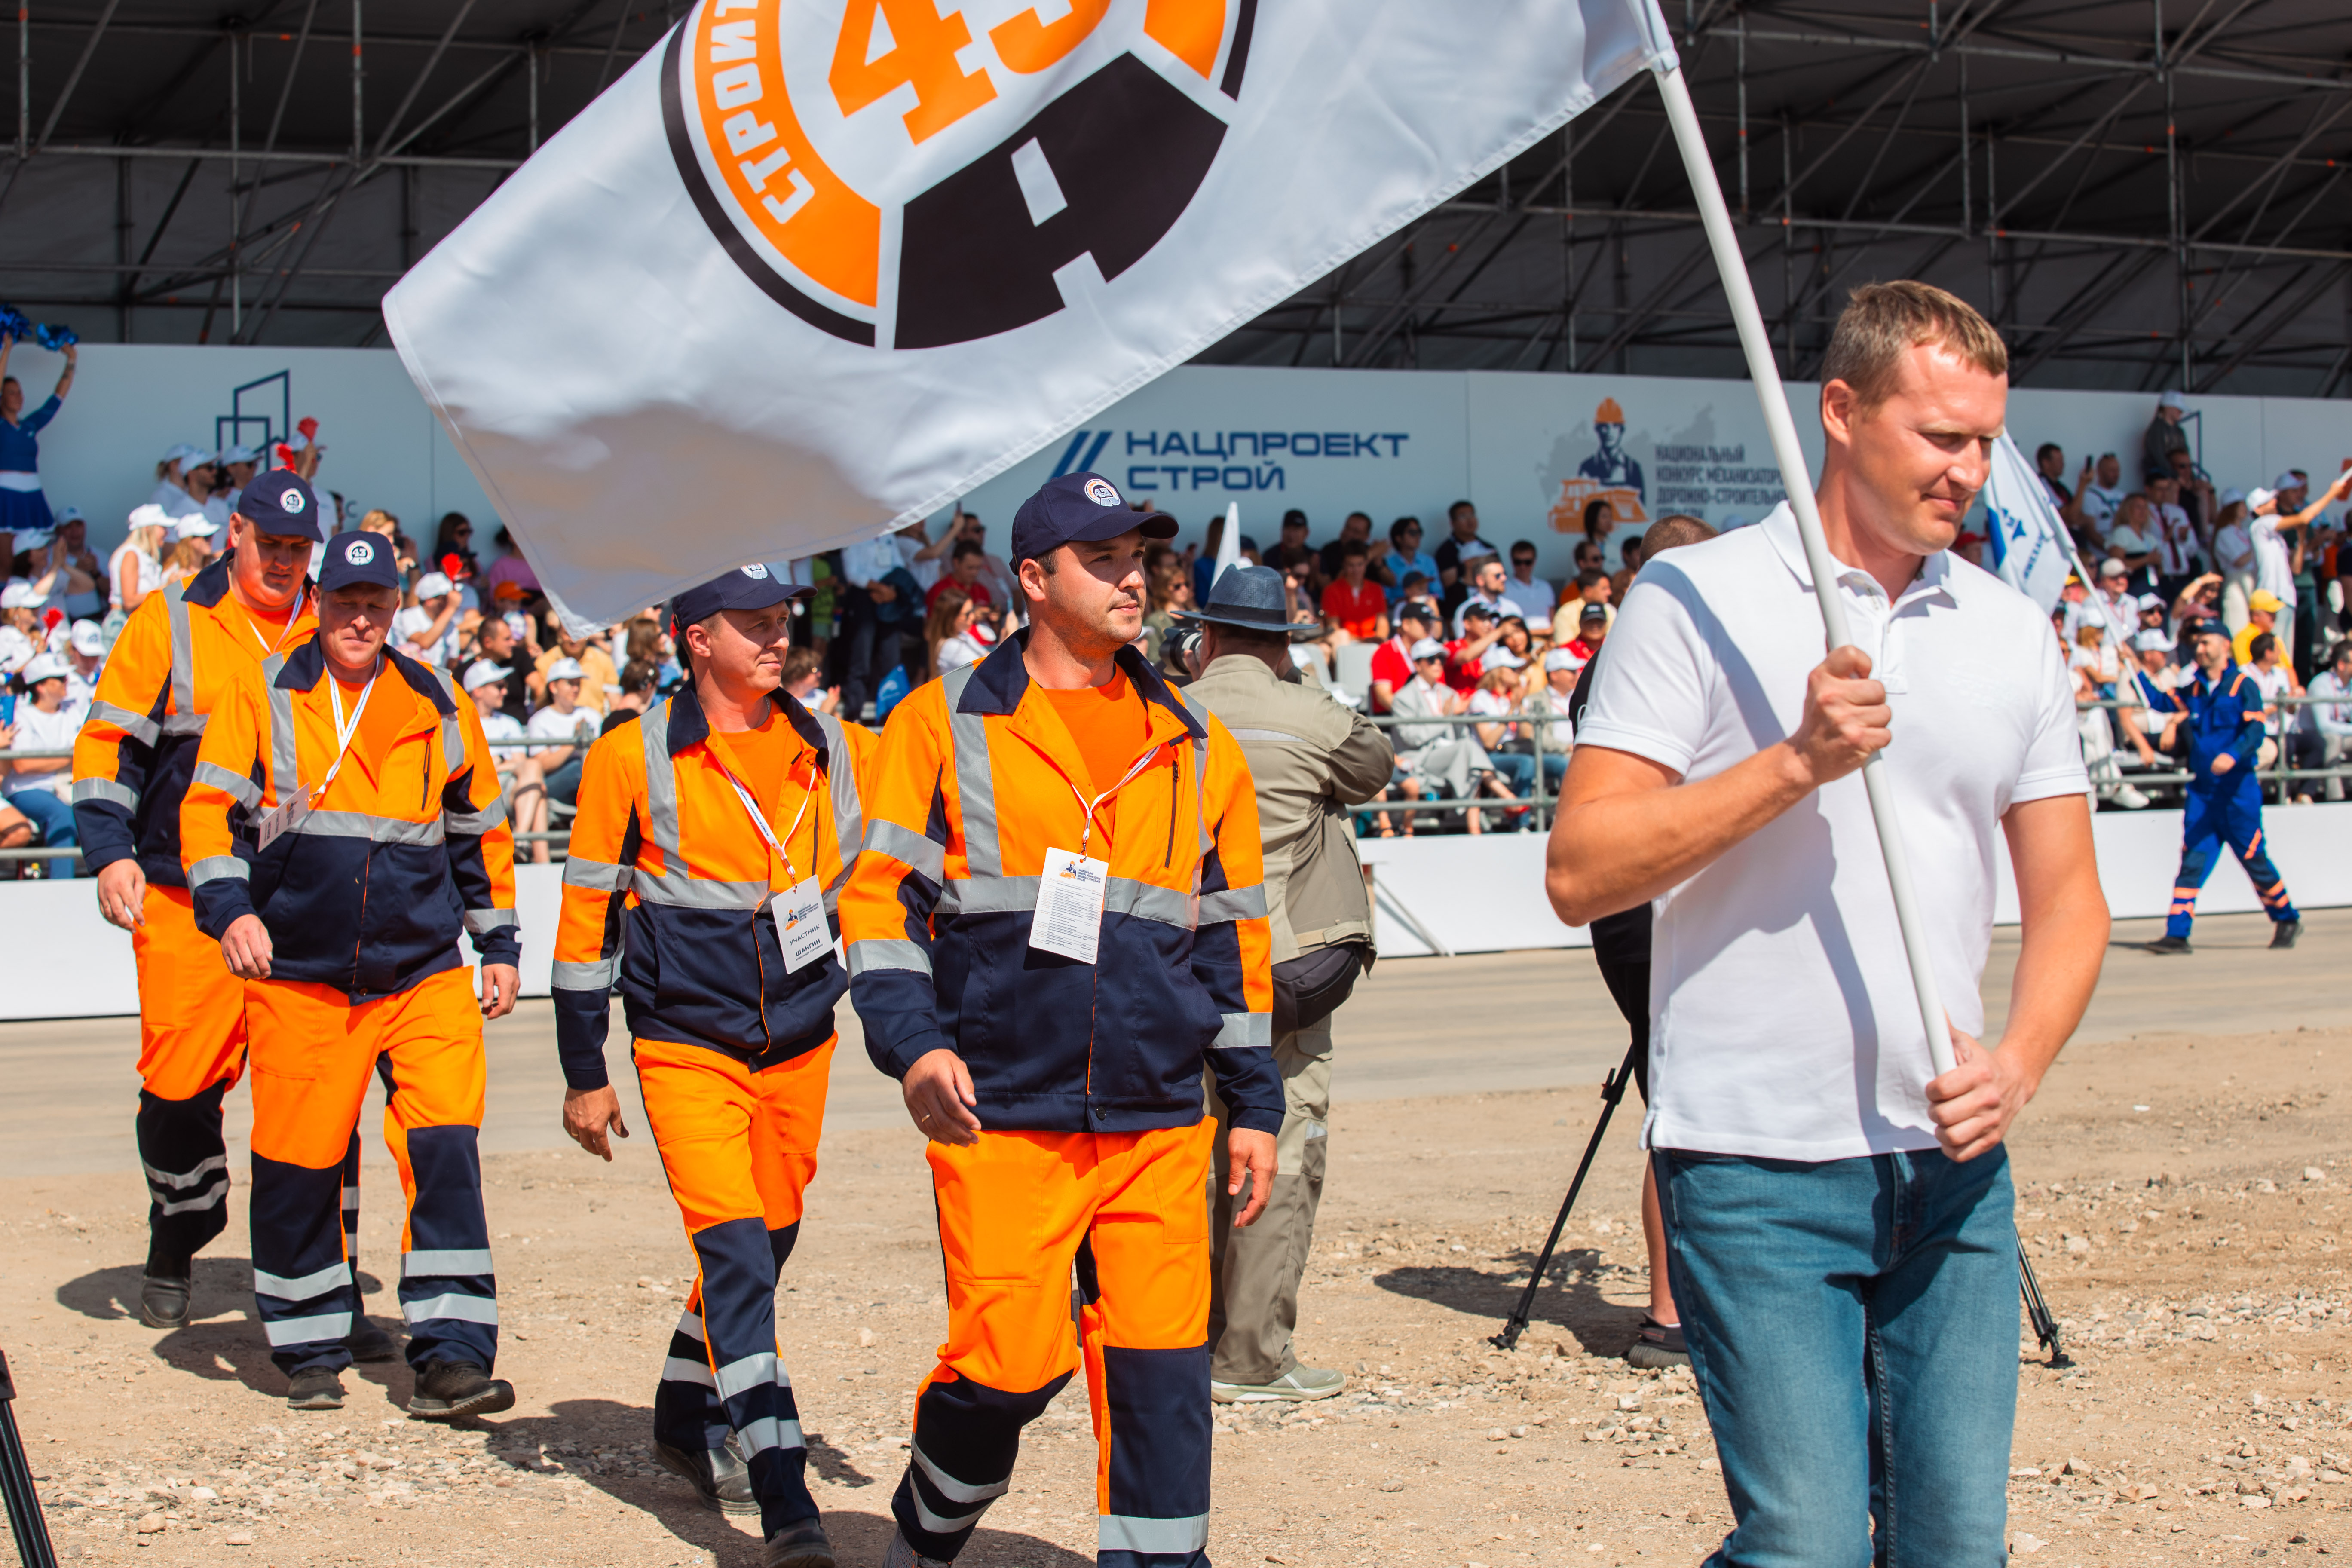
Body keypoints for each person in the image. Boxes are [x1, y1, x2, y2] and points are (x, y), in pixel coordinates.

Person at [1547, 282, 2109, 1562]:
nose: (1971, 470)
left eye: (1986, 441)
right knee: (1805, 1545)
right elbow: (1582, 870)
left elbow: (2071, 898)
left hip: (1954, 1178)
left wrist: (2018, 1061)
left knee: (1954, 1545)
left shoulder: (2014, 632)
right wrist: (1793, 763)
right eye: (1942, 437)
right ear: (1842, 411)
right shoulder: (1691, 597)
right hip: (1752, 1164)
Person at [837, 471, 1279, 1568]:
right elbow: (876, 905)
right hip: (1003, 1111)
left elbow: (1234, 938)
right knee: (1004, 1367)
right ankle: (928, 1525)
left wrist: (1255, 1102)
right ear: (1032, 580)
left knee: (1163, 1376)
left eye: (1140, 557)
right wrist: (915, 1043)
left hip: (1160, 1114)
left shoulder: (1195, 741)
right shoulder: (936, 723)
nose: (1134, 578)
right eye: (1104, 560)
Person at [553, 564, 870, 1568]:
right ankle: (783, 1501)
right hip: (684, 1043)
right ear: (694, 637)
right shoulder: (628, 758)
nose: (776, 638)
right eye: (751, 624)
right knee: (734, 1257)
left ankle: (681, 1410)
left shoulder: (824, 742)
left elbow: (862, 883)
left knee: (766, 1245)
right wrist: (583, 1068)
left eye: (781, 621)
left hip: (801, 1044)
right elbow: (582, 925)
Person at [180, 527, 521, 1415]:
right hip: (301, 975)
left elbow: (478, 830)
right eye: (345, 603)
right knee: (298, 1162)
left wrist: (500, 945)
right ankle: (308, 1342)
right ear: (318, 603)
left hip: (422, 972)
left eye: (376, 606)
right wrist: (233, 912)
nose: (360, 620)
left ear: (396, 610)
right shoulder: (262, 692)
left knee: (447, 1150)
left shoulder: (436, 700)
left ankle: (453, 1354)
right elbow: (208, 815)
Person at [69, 470, 392, 1351]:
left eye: (299, 550)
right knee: (178, 1089)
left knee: (320, 1098)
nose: (286, 562)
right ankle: (181, 1228)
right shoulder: (169, 622)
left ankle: (328, 1292)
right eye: (272, 545)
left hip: (304, 907)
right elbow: (106, 749)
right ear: (233, 537)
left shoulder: (338, 626)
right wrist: (110, 856)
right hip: (185, 897)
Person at [1175, 564, 1390, 1405]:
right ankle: (1253, 1356)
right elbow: (1370, 769)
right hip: (1277, 970)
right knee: (1280, 1141)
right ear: (1285, 646)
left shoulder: (1164, 707)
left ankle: (1174, 1336)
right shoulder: (1310, 715)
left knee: (1185, 1146)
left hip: (1173, 962)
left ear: (1209, 638)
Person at [1557, 512, 1718, 1368]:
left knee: (1682, 1088)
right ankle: (1671, 1314)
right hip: (1654, 899)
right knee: (1681, 1094)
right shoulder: (1642, 660)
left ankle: (1688, 1304)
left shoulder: (1626, 658)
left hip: (1650, 901)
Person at [2144, 621, 2300, 953]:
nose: (2200, 649)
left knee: (2254, 858)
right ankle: (2177, 934)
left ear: (2225, 646)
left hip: (2237, 793)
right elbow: (2159, 702)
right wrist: (2135, 669)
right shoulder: (2194, 689)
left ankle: (2286, 918)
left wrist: (2233, 755)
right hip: (2203, 793)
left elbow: (2256, 731)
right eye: (2198, 644)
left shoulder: (2243, 685)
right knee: (2192, 861)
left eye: (2207, 643)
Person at [4, 652, 84, 876]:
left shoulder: (72, 712)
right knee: (61, 814)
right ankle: (62, 885)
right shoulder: (23, 715)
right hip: (27, 790)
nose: (66, 683)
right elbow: (21, 765)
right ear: (41, 687)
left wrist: (53, 762)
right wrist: (67, 758)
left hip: (66, 786)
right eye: (59, 679)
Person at [0, 332, 76, 564]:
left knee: (34, 559)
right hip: (5, 496)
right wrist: (7, 348)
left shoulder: (30, 425)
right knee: (5, 562)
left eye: (19, 392)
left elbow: (57, 399)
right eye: (11, 392)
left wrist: (72, 359)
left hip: (32, 496)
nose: (18, 396)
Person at [2291, 639, 2352, 803]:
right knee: (2333, 740)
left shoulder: (2350, 685)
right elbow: (2324, 727)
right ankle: (2336, 799)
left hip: (2338, 734)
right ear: (2341, 664)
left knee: (2336, 738)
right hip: (2310, 737)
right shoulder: (2321, 684)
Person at [110, 504, 172, 624]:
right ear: (148, 528)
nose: (167, 532)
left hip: (133, 622)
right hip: (122, 624)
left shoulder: (140, 555)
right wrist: (166, 587)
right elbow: (129, 601)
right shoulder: (131, 554)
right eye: (163, 527)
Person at [1319, 539, 1387, 641]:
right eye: (1351, 565)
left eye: (1360, 564)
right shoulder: (1331, 590)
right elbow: (1333, 627)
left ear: (1366, 564)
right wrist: (1362, 642)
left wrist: (1379, 641)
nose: (1356, 570)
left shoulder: (1377, 589)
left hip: (1372, 643)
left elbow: (1383, 623)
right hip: (1345, 645)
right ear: (1344, 565)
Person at [1432, 500, 1496, 604]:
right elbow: (1448, 583)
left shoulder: (1489, 548)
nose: (1470, 520)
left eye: (1472, 515)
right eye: (1463, 517)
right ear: (1452, 523)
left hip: (1492, 601)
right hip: (1461, 604)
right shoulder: (1446, 551)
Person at [1378, 517, 1438, 608]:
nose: (1418, 536)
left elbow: (1439, 593)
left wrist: (1427, 599)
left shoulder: (1428, 561)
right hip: (1398, 612)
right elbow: (1385, 598)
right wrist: (1408, 601)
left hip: (1428, 609)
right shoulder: (1388, 564)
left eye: (1419, 532)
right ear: (1398, 538)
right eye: (1412, 533)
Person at [2142, 389, 2190, 484]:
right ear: (2168, 408)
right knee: (2173, 488)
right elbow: (2158, 457)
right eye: (2179, 409)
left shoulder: (2180, 431)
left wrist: (2191, 478)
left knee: (2204, 489)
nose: (2181, 412)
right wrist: (2176, 477)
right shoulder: (2156, 429)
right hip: (2161, 475)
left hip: (2179, 474)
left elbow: (2186, 455)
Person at [1505, 539, 1557, 626]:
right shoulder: (1504, 588)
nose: (1523, 566)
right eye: (1518, 562)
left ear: (1535, 561)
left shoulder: (1545, 587)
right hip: (1519, 637)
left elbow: (1553, 620)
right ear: (1512, 561)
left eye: (1528, 562)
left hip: (1547, 638)